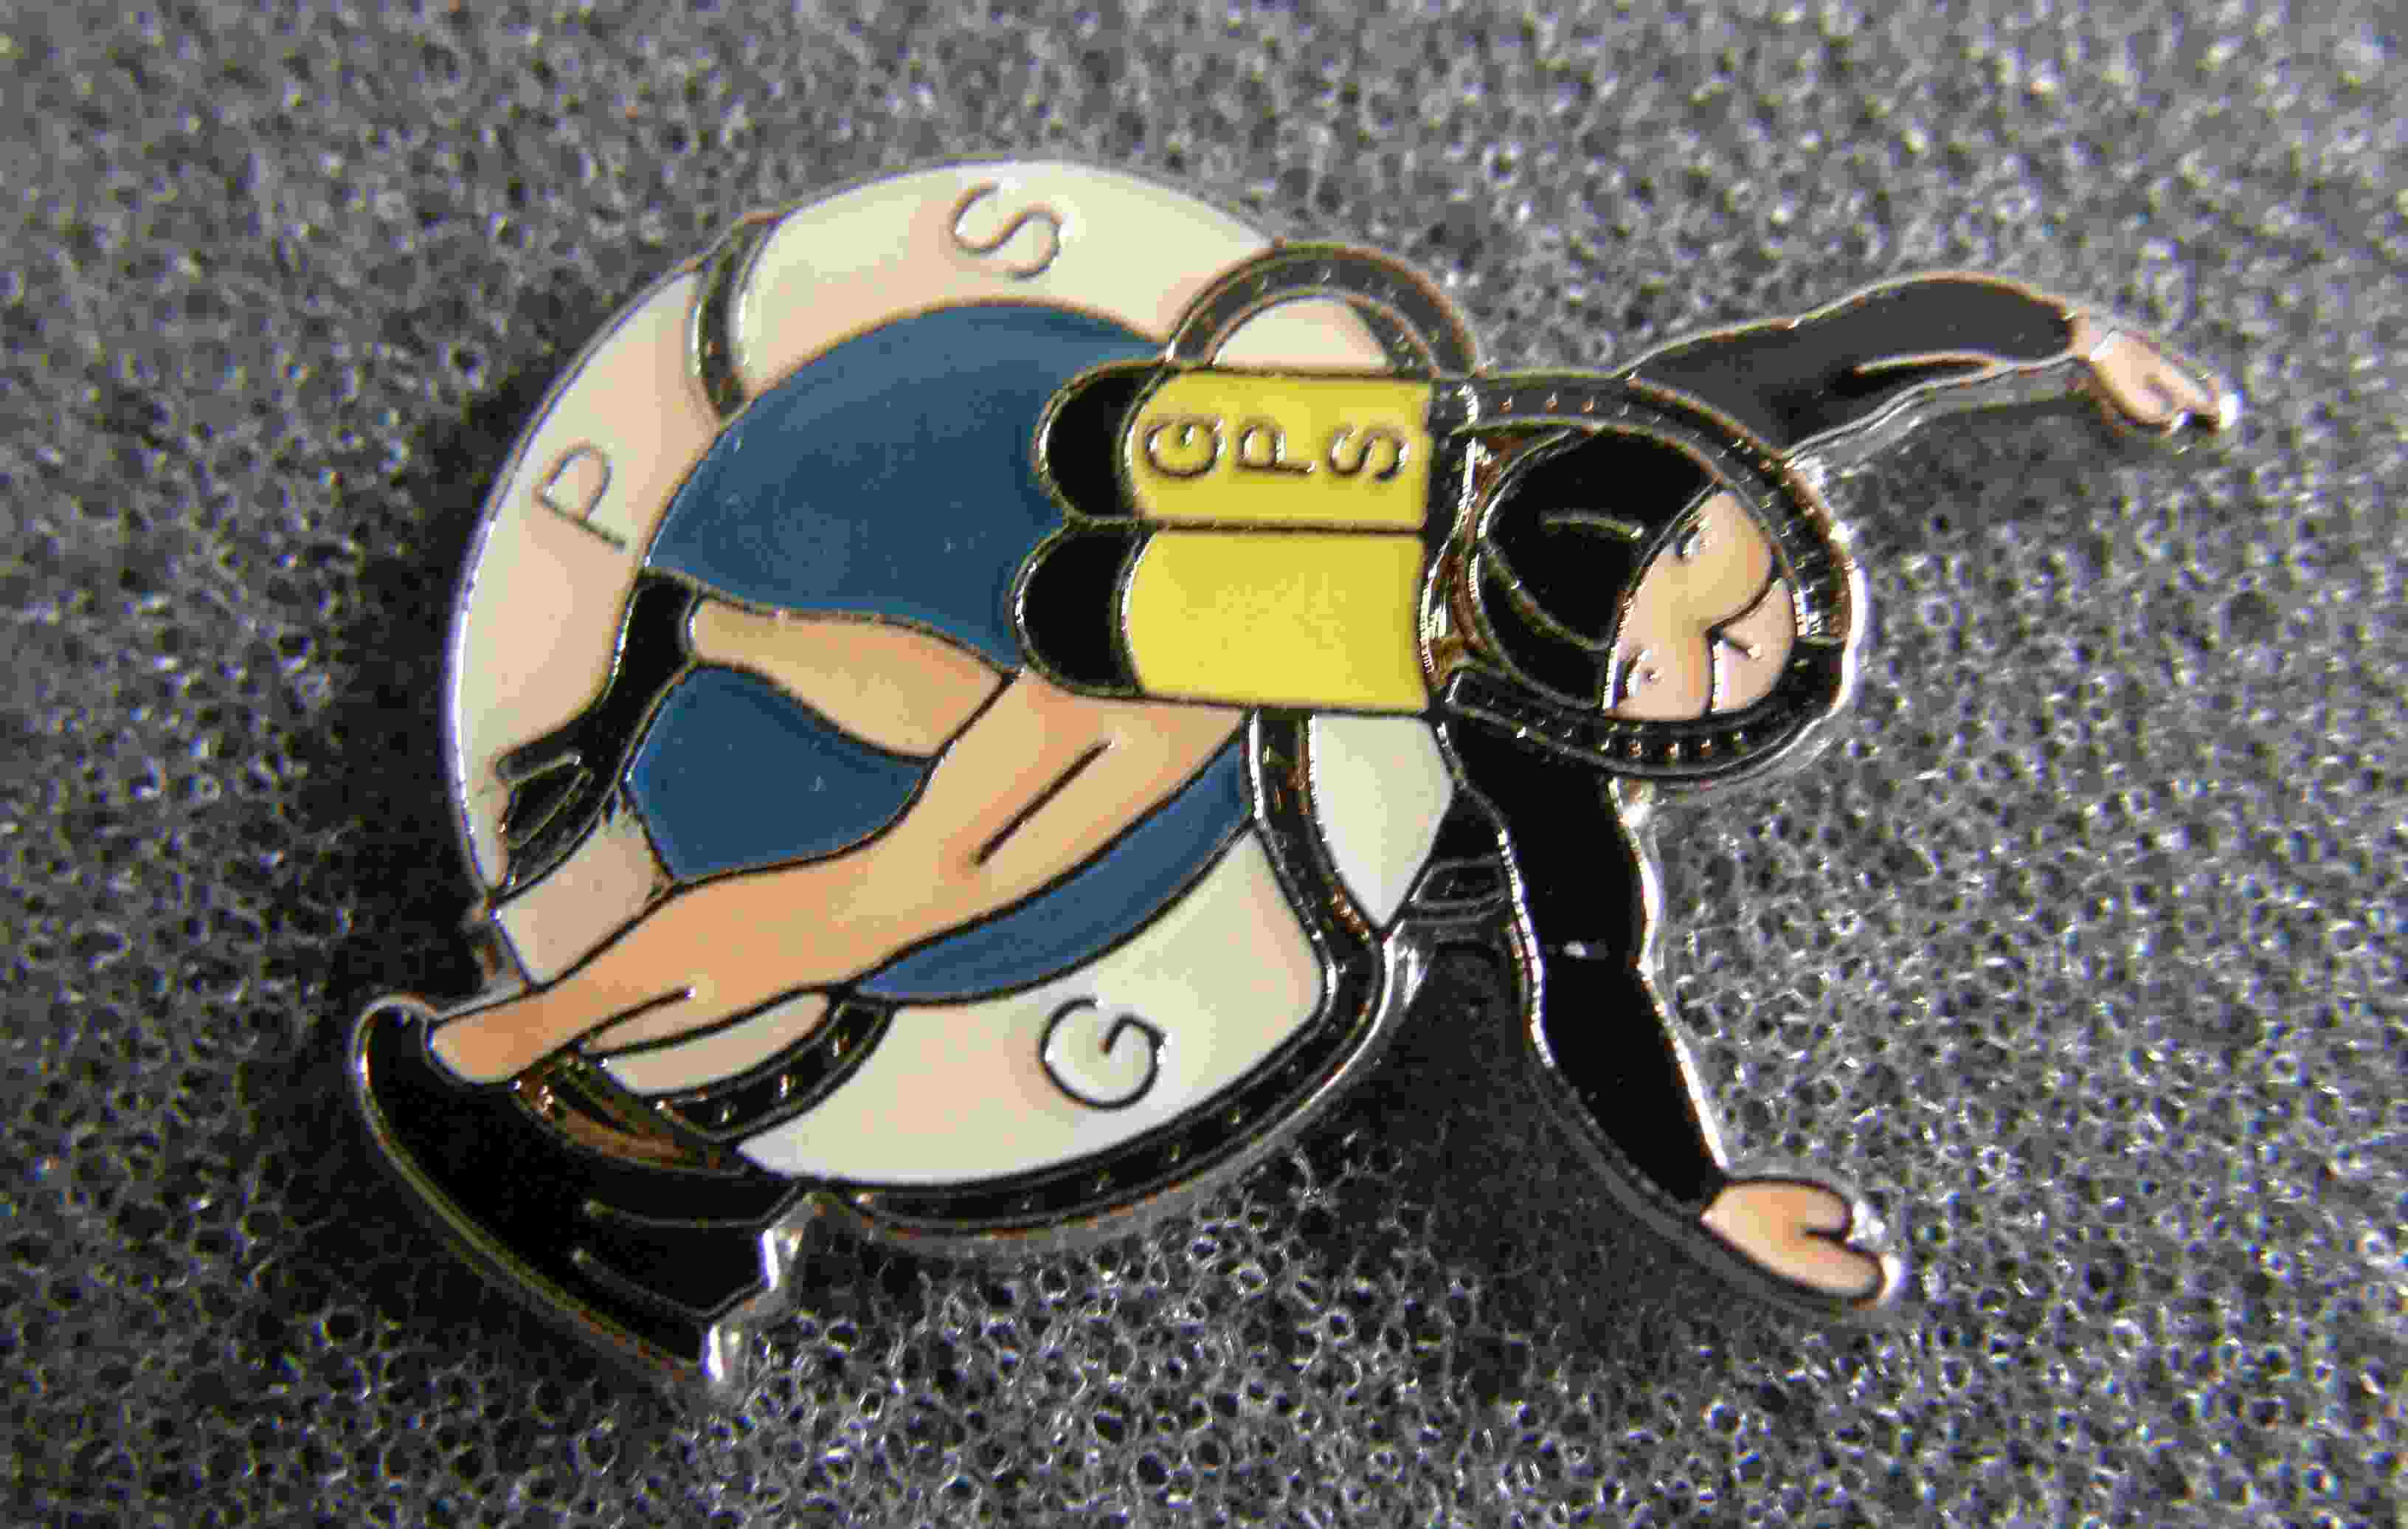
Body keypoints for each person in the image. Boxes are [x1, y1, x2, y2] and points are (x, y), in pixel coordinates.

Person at [425, 263, 2230, 1314]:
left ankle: (691, 648)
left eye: (1705, 630)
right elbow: (1588, 967)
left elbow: (1865, 349)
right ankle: (505, 1055)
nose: (1731, 637)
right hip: (1207, 662)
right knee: (896, 894)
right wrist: (1701, 1193)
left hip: (1191, 602)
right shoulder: (1556, 699)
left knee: (922, 833)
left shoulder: (1662, 439)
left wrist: (2064, 337)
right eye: (1698, 600)